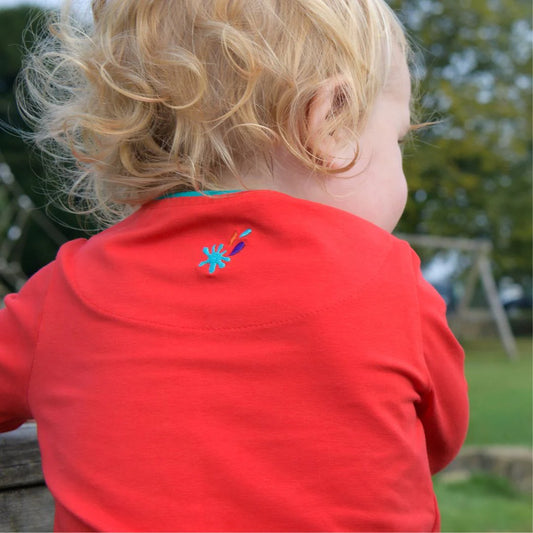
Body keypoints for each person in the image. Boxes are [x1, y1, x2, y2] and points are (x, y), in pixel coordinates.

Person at [0, 0, 468, 530]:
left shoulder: (62, 295)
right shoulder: (391, 281)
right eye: (398, 140)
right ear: (329, 122)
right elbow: (437, 439)